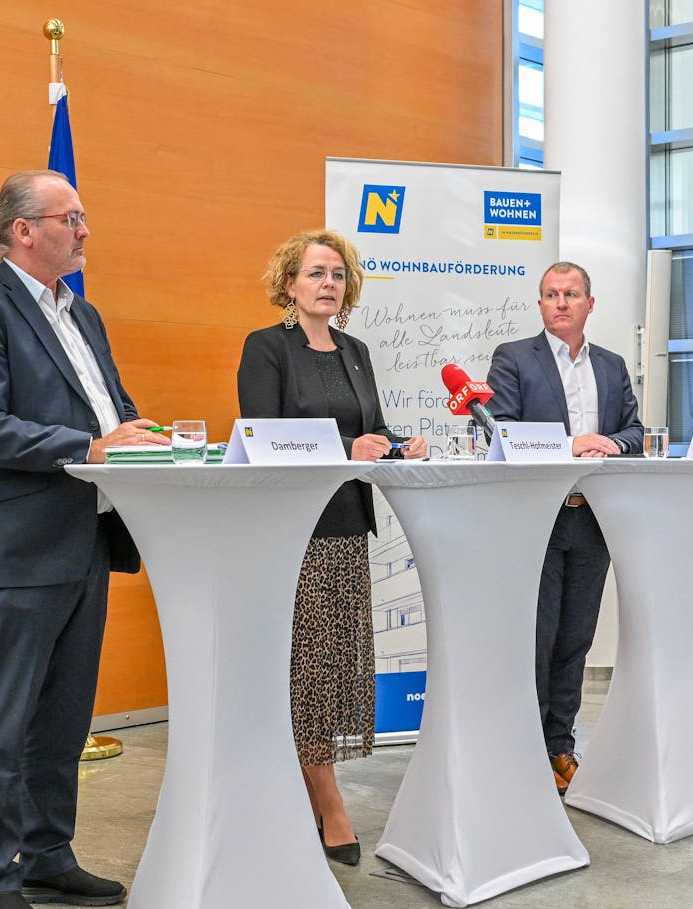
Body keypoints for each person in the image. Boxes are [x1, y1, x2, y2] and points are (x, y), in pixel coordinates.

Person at [0, 169, 167, 909]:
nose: (85, 231)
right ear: (23, 230)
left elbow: (114, 405)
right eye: (72, 218)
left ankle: (45, 852)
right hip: (16, 551)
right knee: (4, 726)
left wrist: (139, 436)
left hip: (85, 543)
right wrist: (93, 446)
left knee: (65, 718)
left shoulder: (84, 315)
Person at [236, 229, 426, 866]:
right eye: (315, 273)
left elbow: (367, 427)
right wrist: (347, 451)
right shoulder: (266, 348)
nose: (328, 284)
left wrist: (399, 444)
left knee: (335, 668)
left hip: (347, 523)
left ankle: (308, 789)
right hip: (293, 529)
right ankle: (329, 805)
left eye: (338, 275)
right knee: (309, 671)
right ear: (289, 284)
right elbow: (262, 439)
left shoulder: (355, 350)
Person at [486, 261, 643, 795]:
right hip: (539, 520)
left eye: (571, 294)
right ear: (540, 304)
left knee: (575, 640)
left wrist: (614, 444)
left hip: (594, 520)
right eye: (550, 294)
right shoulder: (514, 359)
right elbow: (498, 428)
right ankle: (525, 751)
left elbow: (635, 430)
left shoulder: (613, 366)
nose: (560, 303)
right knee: (537, 638)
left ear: (589, 305)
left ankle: (560, 747)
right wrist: (567, 445)